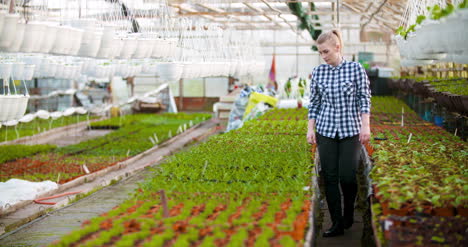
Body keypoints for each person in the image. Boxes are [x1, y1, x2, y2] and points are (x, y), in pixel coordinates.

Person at [307, 29, 371, 237]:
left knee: (347, 176)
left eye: (326, 52)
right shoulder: (318, 72)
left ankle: (348, 211)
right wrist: (310, 129)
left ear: (337, 47)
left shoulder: (355, 69)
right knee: (330, 177)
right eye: (320, 53)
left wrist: (365, 125)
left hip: (349, 131)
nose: (323, 56)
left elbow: (364, 98)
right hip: (325, 130)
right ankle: (336, 223)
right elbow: (314, 103)